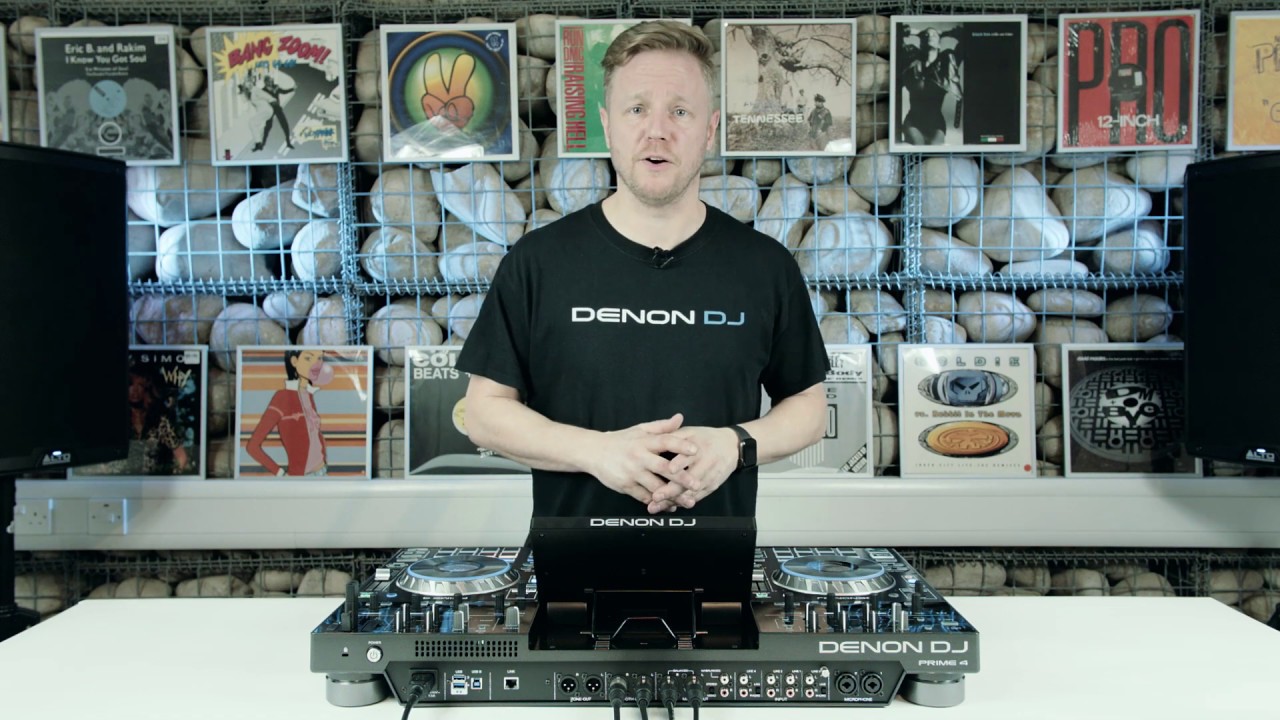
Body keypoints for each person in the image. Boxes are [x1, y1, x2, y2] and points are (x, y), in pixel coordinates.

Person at [456, 20, 829, 518]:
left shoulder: (765, 266)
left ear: (710, 129)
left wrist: (734, 444)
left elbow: (809, 408)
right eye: (637, 109)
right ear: (607, 124)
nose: (658, 130)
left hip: (716, 560)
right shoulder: (538, 261)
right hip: (573, 560)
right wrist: (596, 452)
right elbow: (483, 413)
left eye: (680, 111)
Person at [246, 349, 333, 476]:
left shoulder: (309, 394)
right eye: (308, 358)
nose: (316, 364)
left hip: (323, 472)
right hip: (302, 479)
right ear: (294, 361)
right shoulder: (282, 398)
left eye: (319, 358)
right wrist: (280, 473)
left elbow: (315, 436)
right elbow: (252, 446)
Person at [897, 26, 963, 146]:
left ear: (939, 45)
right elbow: (896, 33)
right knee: (917, 146)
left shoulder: (947, 62)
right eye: (926, 35)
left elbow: (967, 37)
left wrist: (944, 32)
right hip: (913, 121)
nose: (929, 37)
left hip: (936, 124)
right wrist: (917, 32)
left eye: (934, 35)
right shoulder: (911, 59)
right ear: (921, 43)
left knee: (934, 151)